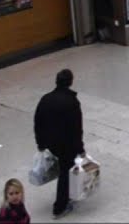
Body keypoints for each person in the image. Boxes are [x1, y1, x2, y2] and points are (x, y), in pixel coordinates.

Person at [33, 70, 84, 218]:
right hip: (67, 145)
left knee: (62, 170)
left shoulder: (45, 99)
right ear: (70, 82)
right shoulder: (72, 102)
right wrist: (80, 148)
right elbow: (76, 128)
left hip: (51, 143)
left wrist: (40, 143)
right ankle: (60, 207)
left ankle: (66, 198)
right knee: (65, 173)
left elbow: (38, 123)